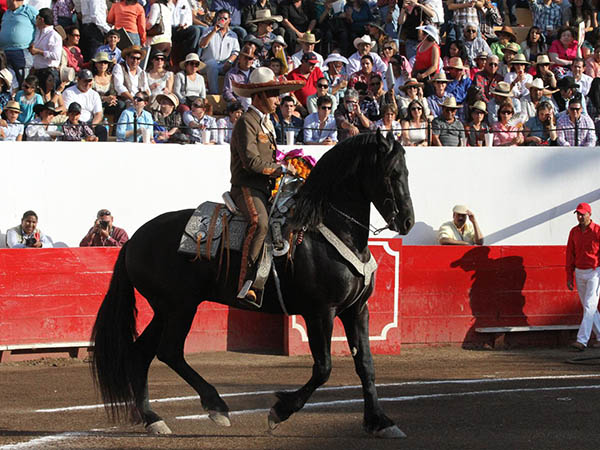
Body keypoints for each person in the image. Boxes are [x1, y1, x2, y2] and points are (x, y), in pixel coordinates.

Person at [229, 66, 302, 303]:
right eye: (272, 93)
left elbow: (268, 157)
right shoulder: (246, 122)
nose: (277, 99)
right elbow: (250, 162)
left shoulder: (265, 122)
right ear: (258, 96)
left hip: (265, 188)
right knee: (260, 224)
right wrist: (280, 168)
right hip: (246, 187)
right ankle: (245, 284)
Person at [566, 202, 600, 351]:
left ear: (589, 214)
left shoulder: (598, 231)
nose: (580, 217)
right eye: (578, 214)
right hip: (579, 272)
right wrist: (569, 276)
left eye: (582, 214)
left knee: (589, 306)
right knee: (590, 308)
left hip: (595, 271)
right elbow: (569, 254)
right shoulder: (573, 232)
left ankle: (582, 340)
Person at [198, 9, 240, 94]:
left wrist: (229, 61)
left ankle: (231, 96)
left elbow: (236, 52)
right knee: (212, 65)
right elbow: (202, 45)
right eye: (220, 18)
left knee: (237, 69)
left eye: (224, 18)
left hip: (224, 65)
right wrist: (214, 31)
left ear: (229, 20)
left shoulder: (233, 35)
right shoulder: (209, 30)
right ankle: (214, 93)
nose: (222, 20)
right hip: (207, 64)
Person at [0, 0, 38, 86]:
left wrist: (35, 42)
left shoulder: (28, 10)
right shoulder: (6, 13)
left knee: (24, 81)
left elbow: (41, 25)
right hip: (5, 52)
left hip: (22, 51)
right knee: (7, 81)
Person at [62, 69, 106, 141]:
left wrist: (92, 126)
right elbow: (66, 111)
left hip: (90, 124)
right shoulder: (69, 92)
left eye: (90, 81)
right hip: (74, 122)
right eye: (85, 81)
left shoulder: (94, 94)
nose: (88, 83)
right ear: (78, 80)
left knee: (102, 130)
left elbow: (98, 114)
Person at [29, 7, 62, 78]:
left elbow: (56, 56)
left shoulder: (54, 36)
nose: (36, 20)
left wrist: (39, 52)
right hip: (37, 71)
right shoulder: (37, 33)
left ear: (42, 19)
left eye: (37, 18)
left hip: (48, 73)